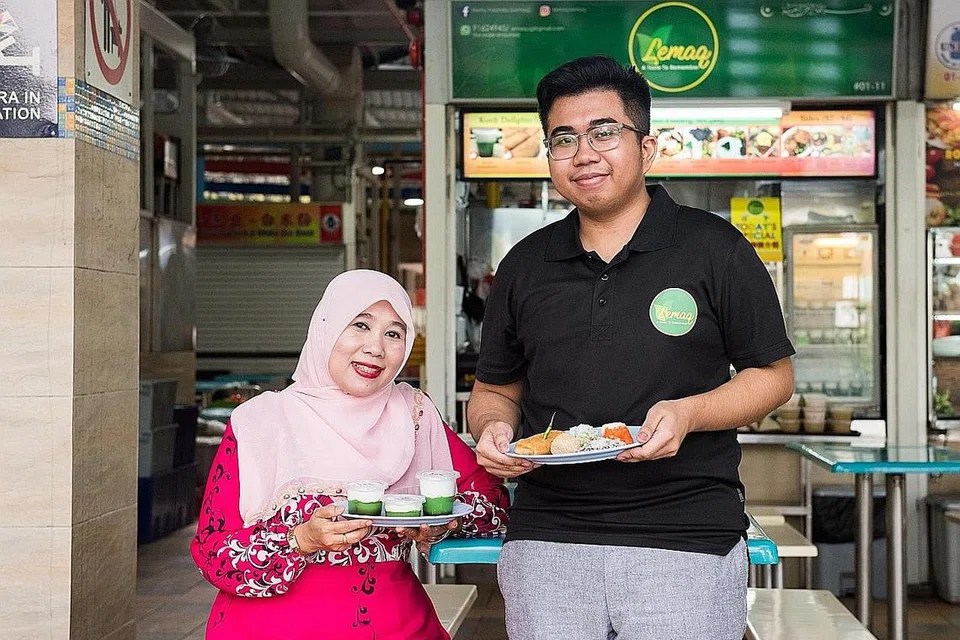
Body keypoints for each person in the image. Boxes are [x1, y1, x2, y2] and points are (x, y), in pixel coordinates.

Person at [467, 56, 795, 640]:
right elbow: (495, 388)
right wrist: (491, 430)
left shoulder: (714, 248)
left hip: (686, 535)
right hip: (548, 536)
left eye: (603, 133)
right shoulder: (524, 264)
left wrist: (690, 413)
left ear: (646, 148)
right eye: (563, 139)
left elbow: (772, 376)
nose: (583, 154)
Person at [192, 269, 509, 639]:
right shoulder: (260, 422)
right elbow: (214, 553)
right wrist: (302, 540)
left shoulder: (414, 415)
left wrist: (443, 523)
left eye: (393, 333)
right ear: (327, 327)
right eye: (360, 325)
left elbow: (493, 507)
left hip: (399, 628)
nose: (376, 347)